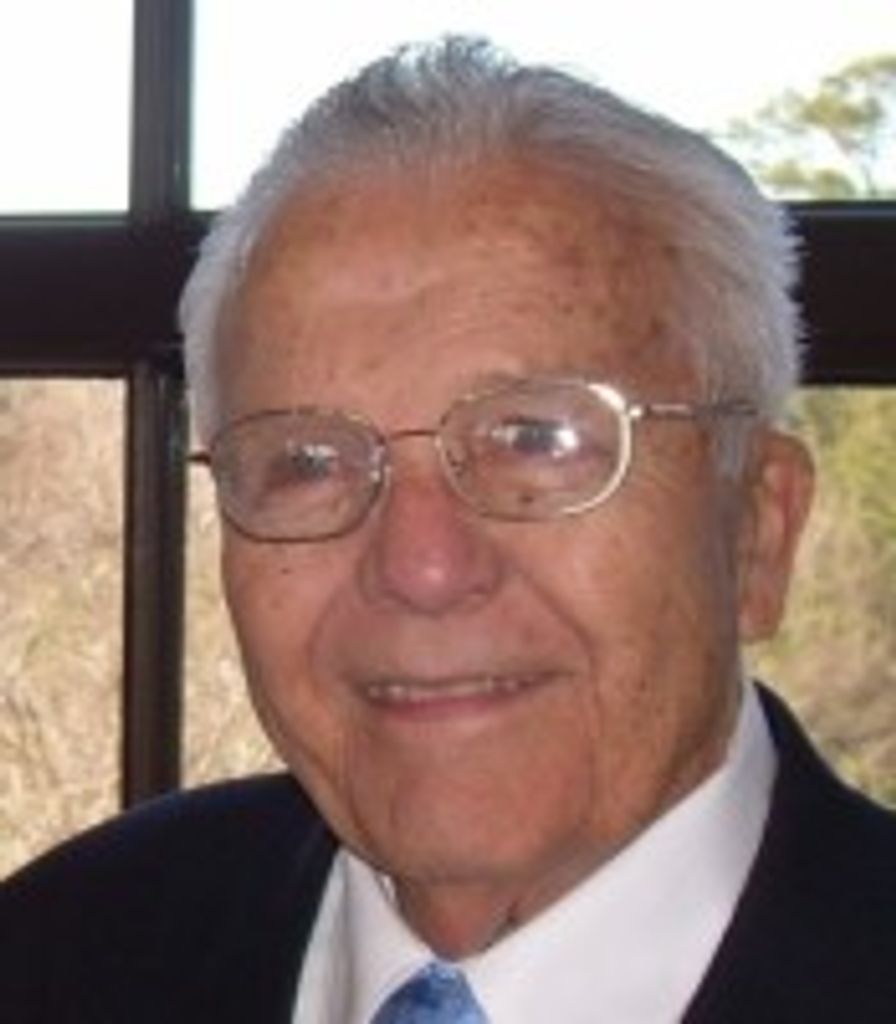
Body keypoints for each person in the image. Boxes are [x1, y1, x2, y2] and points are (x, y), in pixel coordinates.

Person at [2, 36, 895, 1024]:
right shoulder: (57, 953)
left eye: (533, 439)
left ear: (756, 530)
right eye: (307, 461)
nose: (420, 565)